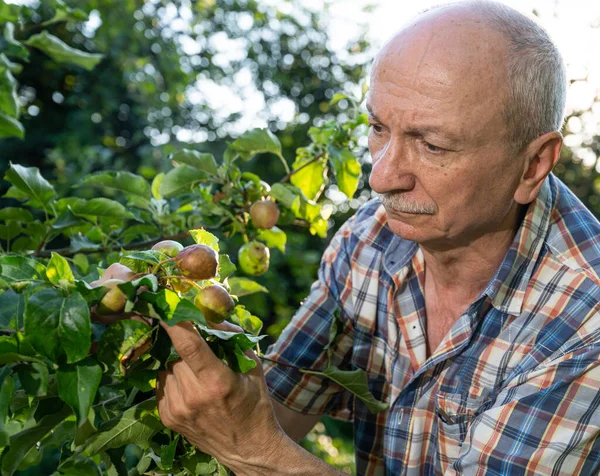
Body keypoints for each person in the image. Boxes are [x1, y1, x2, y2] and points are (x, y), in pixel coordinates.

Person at [156, 1, 600, 474]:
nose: (382, 178)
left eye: (432, 145)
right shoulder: (371, 238)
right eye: (378, 128)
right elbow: (277, 409)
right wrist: (167, 331)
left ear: (533, 164)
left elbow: (260, 441)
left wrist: (256, 451)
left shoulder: (584, 321)